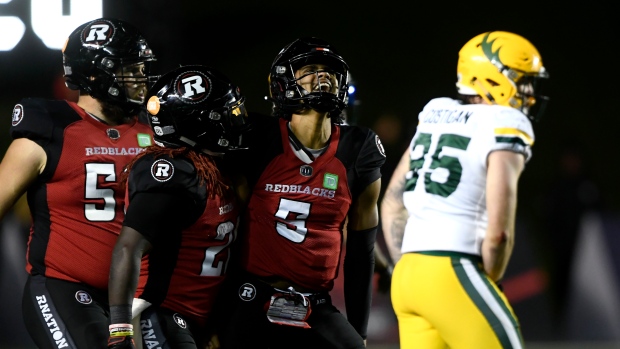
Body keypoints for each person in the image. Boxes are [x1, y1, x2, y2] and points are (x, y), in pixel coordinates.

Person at [380, 31, 550, 349]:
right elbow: (499, 233)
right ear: (494, 77)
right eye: (523, 81)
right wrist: (491, 276)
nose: (528, 93)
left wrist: (405, 262)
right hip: (453, 268)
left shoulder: (435, 114)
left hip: (406, 278)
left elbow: (392, 202)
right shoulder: (506, 121)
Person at [0, 18, 156, 349]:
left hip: (138, 296)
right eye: (130, 68)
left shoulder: (153, 132)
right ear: (96, 75)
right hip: (66, 287)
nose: (141, 77)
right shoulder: (49, 130)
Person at [220, 37, 386, 349]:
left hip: (316, 305)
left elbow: (361, 253)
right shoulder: (258, 138)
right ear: (283, 81)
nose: (321, 77)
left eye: (329, 71)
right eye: (309, 69)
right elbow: (224, 229)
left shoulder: (358, 148)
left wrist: (359, 330)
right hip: (253, 295)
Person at [106, 64, 249, 349]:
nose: (236, 120)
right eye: (224, 115)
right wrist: (120, 331)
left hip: (198, 319)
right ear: (198, 124)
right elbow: (128, 247)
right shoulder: (172, 172)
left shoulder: (215, 167)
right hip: (162, 313)